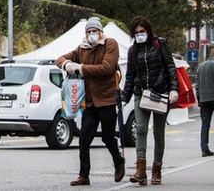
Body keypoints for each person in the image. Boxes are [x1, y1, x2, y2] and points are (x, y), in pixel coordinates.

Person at [56, 17, 125, 186]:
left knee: (108, 137)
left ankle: (118, 161)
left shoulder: (111, 44)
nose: (92, 34)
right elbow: (59, 59)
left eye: (95, 31)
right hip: (90, 103)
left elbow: (107, 68)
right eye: (88, 32)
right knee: (84, 138)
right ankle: (84, 175)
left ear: (101, 32)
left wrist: (81, 68)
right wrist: (66, 64)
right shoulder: (82, 49)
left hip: (107, 100)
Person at [121, 16, 178, 186]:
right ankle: (140, 170)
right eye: (136, 32)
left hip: (161, 93)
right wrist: (125, 98)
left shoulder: (160, 44)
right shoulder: (133, 51)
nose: (139, 35)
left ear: (148, 31)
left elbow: (170, 67)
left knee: (158, 133)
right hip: (141, 93)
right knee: (140, 129)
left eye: (142, 32)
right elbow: (130, 76)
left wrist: (174, 89)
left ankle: (156, 170)